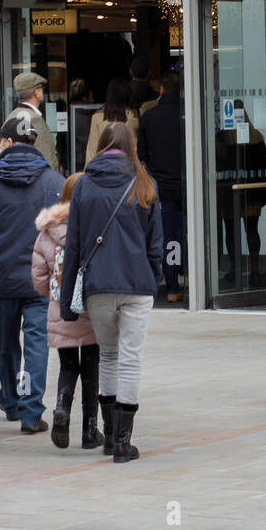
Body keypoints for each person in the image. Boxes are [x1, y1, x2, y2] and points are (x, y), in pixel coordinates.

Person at [61, 122, 164, 463]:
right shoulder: (145, 183)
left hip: (98, 284)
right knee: (131, 357)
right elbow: (156, 243)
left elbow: (73, 245)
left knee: (108, 355)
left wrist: (66, 302)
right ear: (130, 147)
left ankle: (108, 436)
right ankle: (123, 442)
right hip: (137, 284)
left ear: (102, 146)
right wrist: (154, 275)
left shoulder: (84, 186)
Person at [0, 116, 65, 432]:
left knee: (5, 344)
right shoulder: (55, 184)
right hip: (40, 280)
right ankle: (30, 411)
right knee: (36, 343)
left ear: (9, 143)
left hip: (0, 278)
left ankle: (11, 400)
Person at [32, 173, 104, 450]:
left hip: (59, 308)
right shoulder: (94, 227)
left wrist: (51, 296)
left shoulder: (48, 230)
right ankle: (89, 431)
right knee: (91, 367)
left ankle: (62, 405)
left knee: (67, 365)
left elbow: (38, 274)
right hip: (89, 307)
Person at [138, 70, 186, 302]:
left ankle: (172, 286)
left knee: (168, 236)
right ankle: (190, 277)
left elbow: (141, 154)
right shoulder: (188, 116)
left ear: (161, 90)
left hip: (162, 186)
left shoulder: (149, 117)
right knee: (187, 233)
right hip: (188, 185)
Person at [214, 98, 266, 287]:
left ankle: (234, 270)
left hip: (229, 193)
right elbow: (265, 168)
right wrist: (264, 194)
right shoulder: (257, 137)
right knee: (252, 230)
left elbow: (217, 166)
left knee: (231, 232)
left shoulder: (222, 137)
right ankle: (254, 271)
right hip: (252, 193)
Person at [7, 72, 61, 173]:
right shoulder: (34, 119)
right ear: (37, 92)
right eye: (41, 88)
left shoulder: (11, 116)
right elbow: (47, 158)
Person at [85, 76, 139, 169]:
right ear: (128, 95)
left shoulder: (97, 118)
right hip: (128, 172)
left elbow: (91, 153)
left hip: (103, 172)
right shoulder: (134, 117)